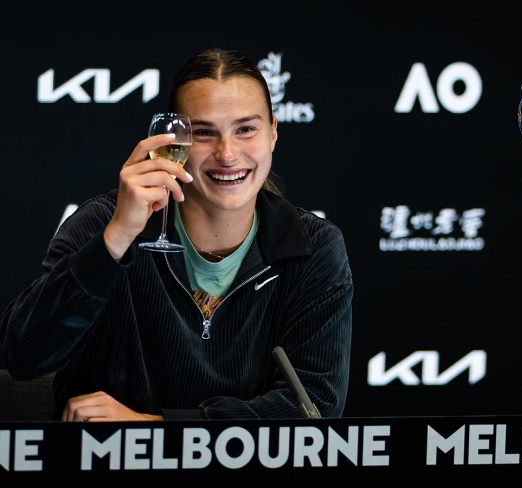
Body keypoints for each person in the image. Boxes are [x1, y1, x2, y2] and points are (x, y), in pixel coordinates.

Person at [0, 48, 353, 421]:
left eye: (246, 129)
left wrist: (157, 428)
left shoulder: (314, 247)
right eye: (203, 133)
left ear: (273, 134)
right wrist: (117, 239)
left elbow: (316, 405)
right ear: (172, 142)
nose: (228, 154)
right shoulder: (104, 222)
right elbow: (23, 357)